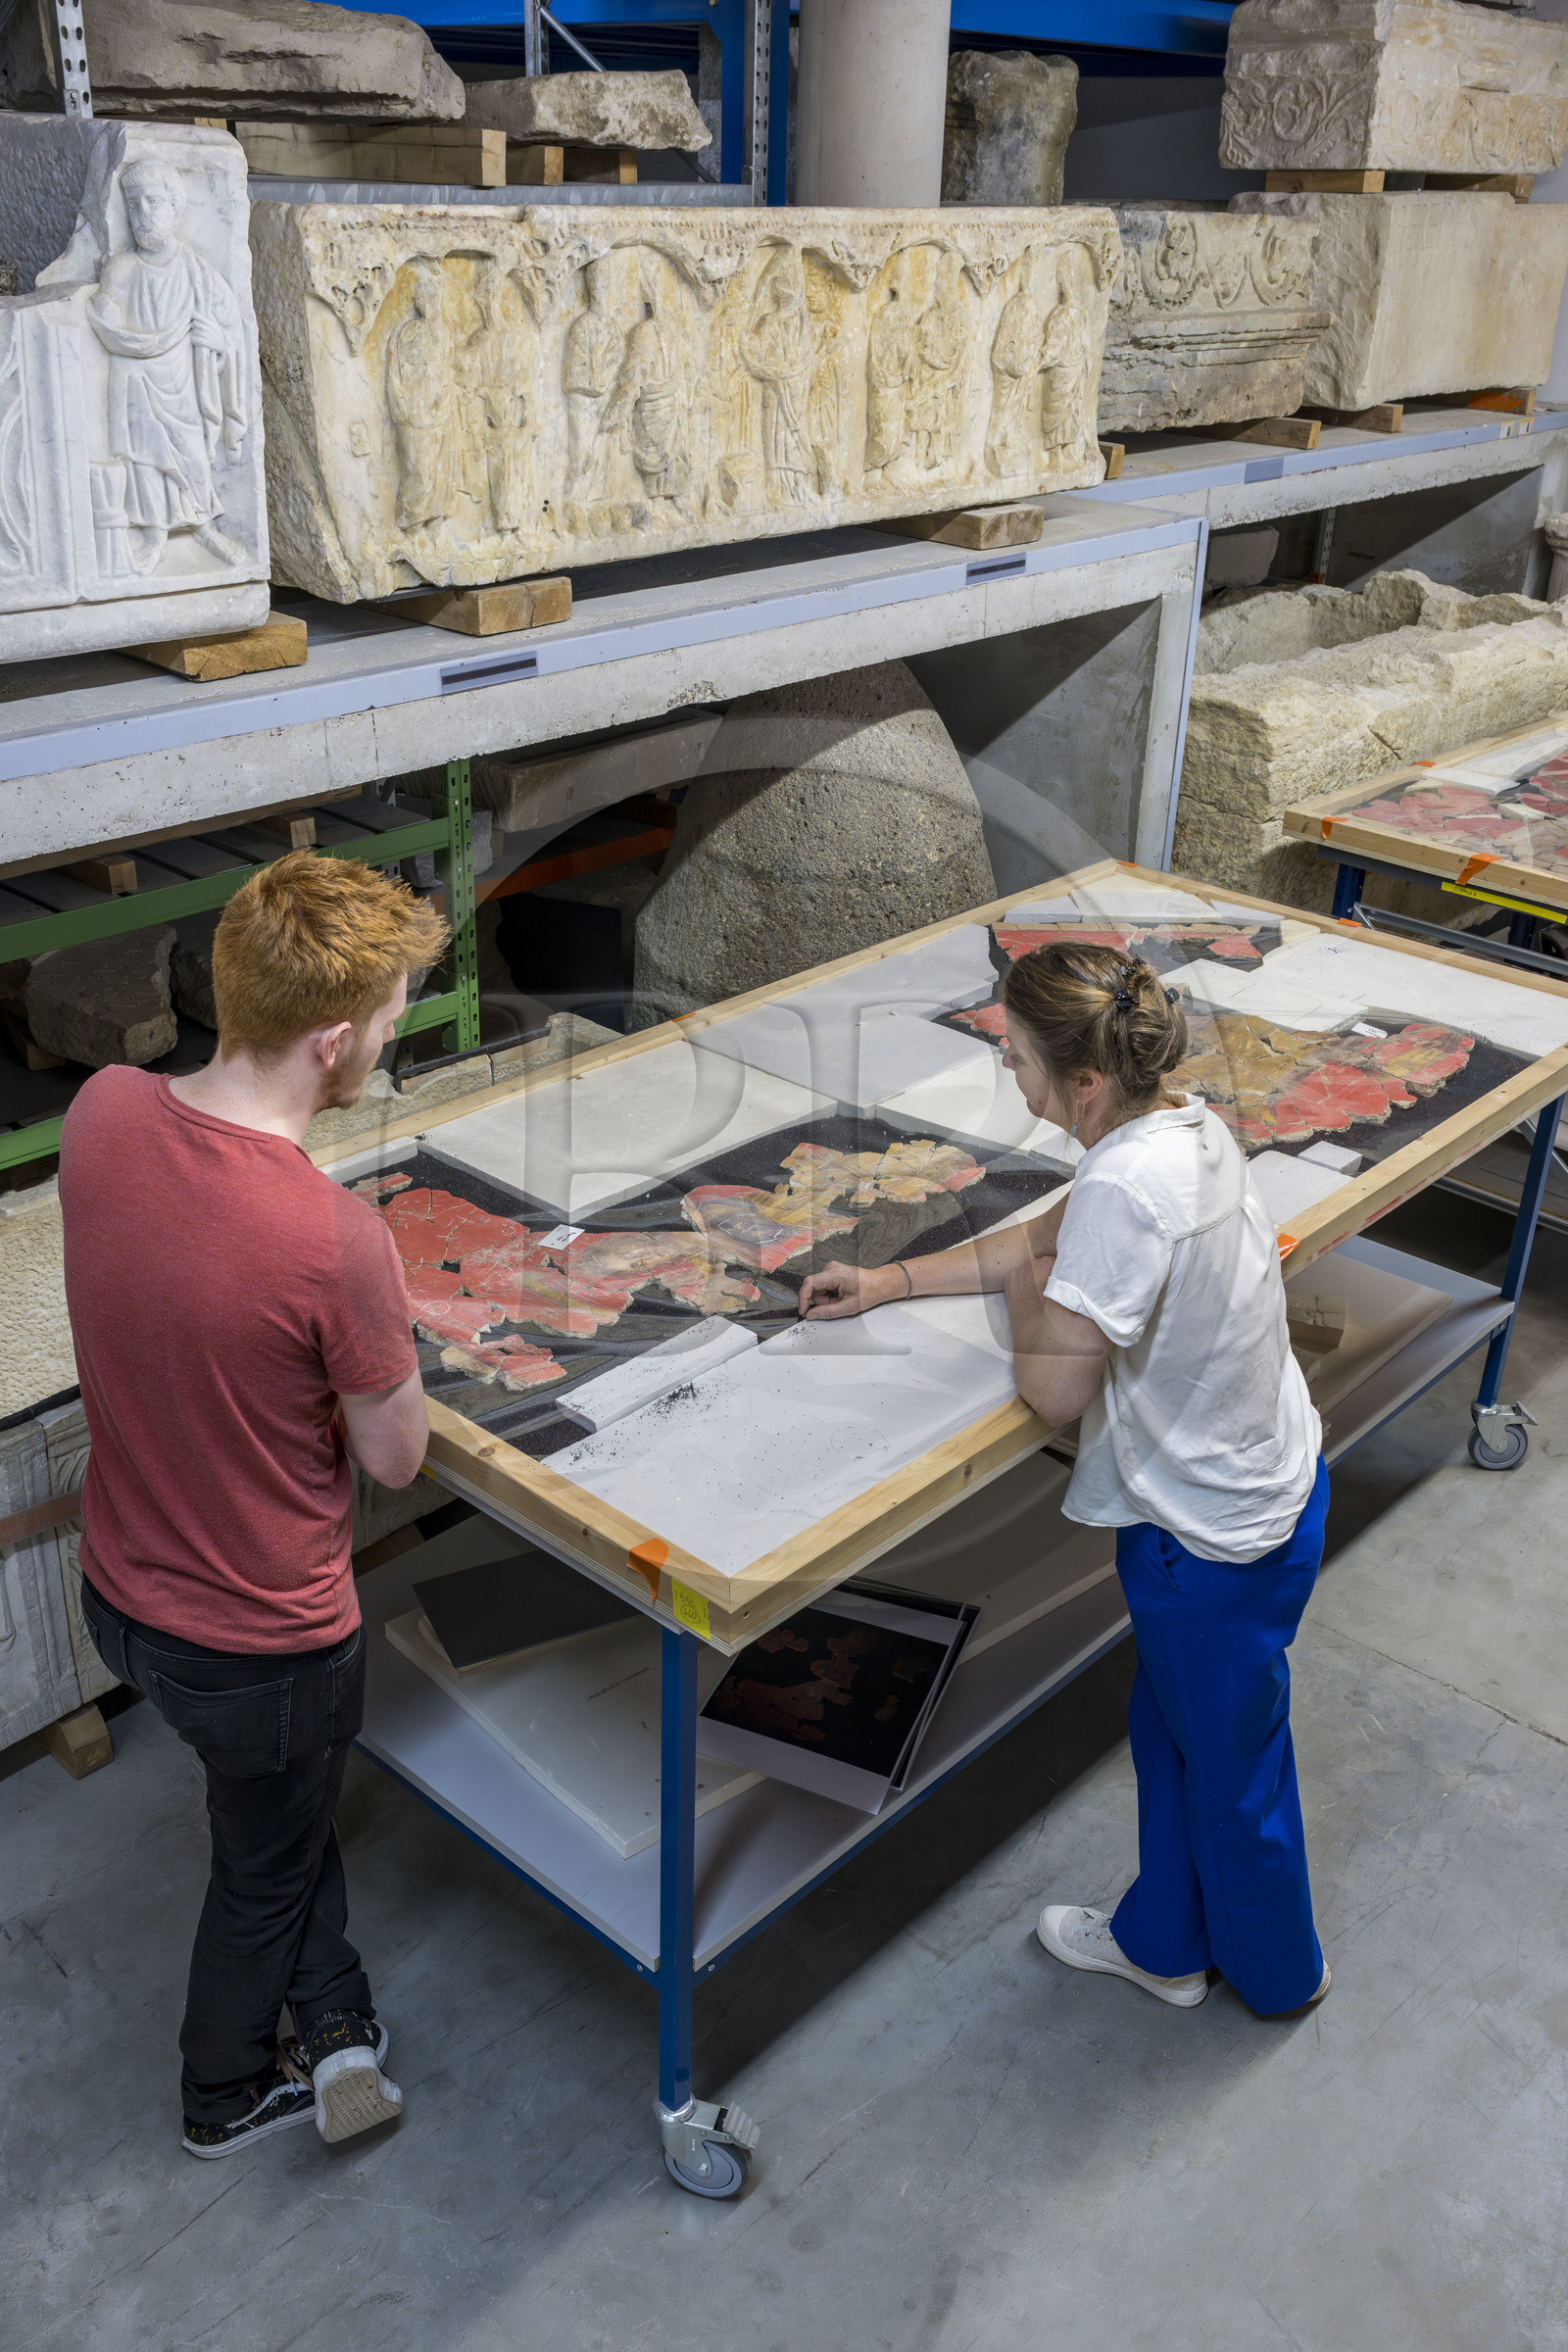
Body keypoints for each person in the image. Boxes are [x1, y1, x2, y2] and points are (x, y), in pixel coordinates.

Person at [798, 940, 1330, 2020]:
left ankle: (1281, 1980)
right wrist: (892, 1280)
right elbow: (1044, 1236)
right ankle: (1165, 1942)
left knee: (1235, 1775)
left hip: (1205, 1545)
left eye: (1021, 1058)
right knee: (1174, 1731)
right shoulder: (1181, 1127)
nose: (1009, 1071)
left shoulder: (1127, 1190)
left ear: (1083, 1081)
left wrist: (1034, 1295)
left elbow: (1052, 1389)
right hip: (1270, 1490)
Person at [60, 854, 448, 2156]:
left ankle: (335, 2018)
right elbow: (395, 1459)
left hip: (121, 1599)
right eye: (394, 1016)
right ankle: (226, 2092)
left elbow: (185, 1288)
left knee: (271, 1820)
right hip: (262, 1647)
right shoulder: (332, 1239)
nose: (395, 1032)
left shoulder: (104, 1112)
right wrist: (385, 1338)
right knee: (264, 1865)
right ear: (333, 1042)